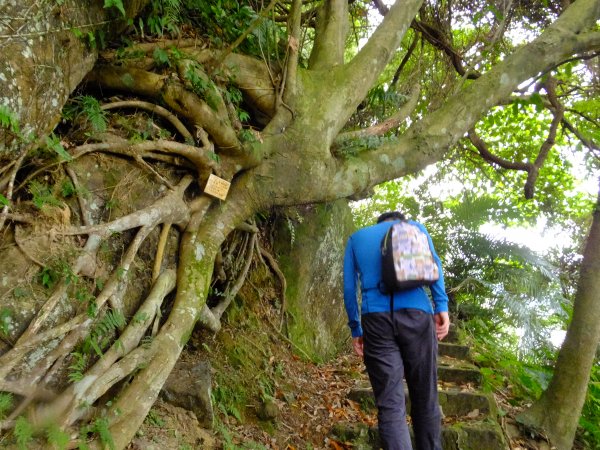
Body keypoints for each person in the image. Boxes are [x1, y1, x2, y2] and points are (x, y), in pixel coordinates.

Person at [343, 211, 450, 450]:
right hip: (417, 315)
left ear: (379, 223)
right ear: (400, 221)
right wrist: (441, 305)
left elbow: (349, 289)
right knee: (425, 397)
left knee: (390, 402)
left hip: (376, 320)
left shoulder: (357, 238)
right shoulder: (416, 228)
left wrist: (356, 328)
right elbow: (435, 265)